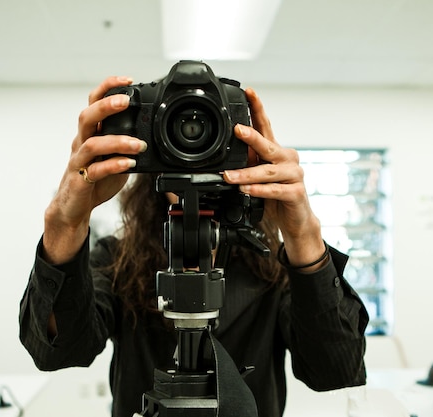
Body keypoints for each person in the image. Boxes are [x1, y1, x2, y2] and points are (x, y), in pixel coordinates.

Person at [19, 75, 369, 417]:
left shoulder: (276, 266)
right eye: (176, 127)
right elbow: (56, 352)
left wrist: (302, 235)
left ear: (244, 142)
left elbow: (336, 369)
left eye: (209, 125)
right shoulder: (117, 258)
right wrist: (64, 224)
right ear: (148, 138)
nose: (192, 144)